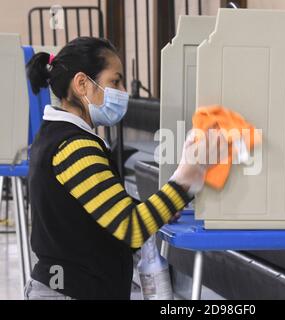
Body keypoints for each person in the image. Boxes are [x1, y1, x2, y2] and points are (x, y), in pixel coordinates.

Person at [25, 37, 211, 300]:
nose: (124, 91)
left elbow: (94, 211)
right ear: (82, 84)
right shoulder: (74, 147)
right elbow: (130, 228)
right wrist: (184, 180)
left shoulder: (56, 135)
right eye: (115, 81)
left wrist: (159, 209)